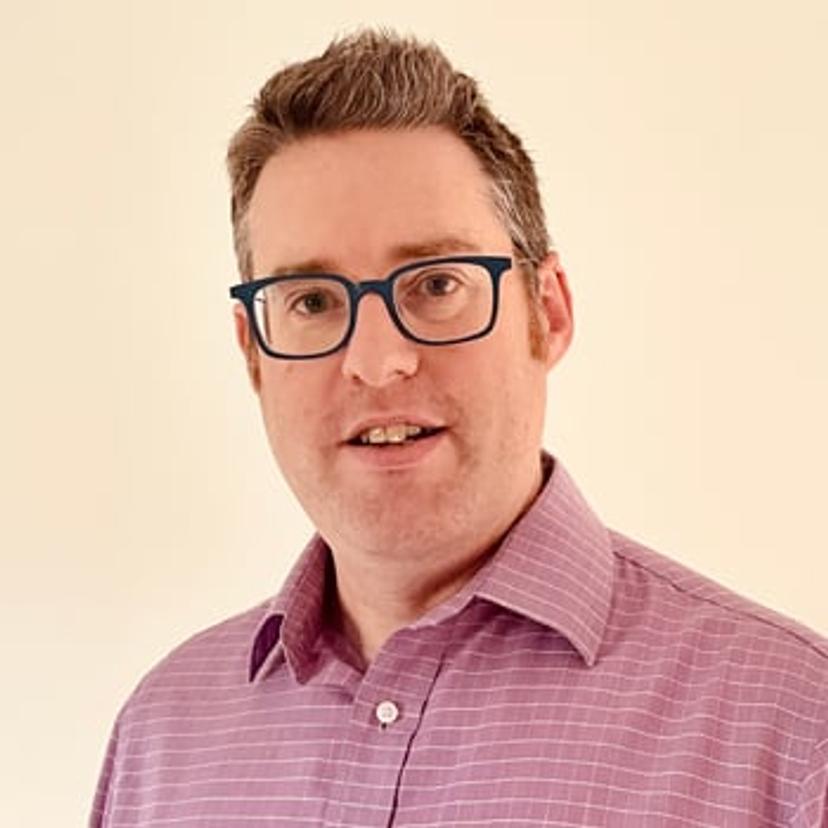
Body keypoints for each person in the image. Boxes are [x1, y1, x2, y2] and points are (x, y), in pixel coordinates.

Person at [91, 30, 828, 827]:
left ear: (547, 312)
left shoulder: (792, 733)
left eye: (437, 285)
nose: (378, 362)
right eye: (313, 302)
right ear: (253, 353)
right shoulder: (161, 738)